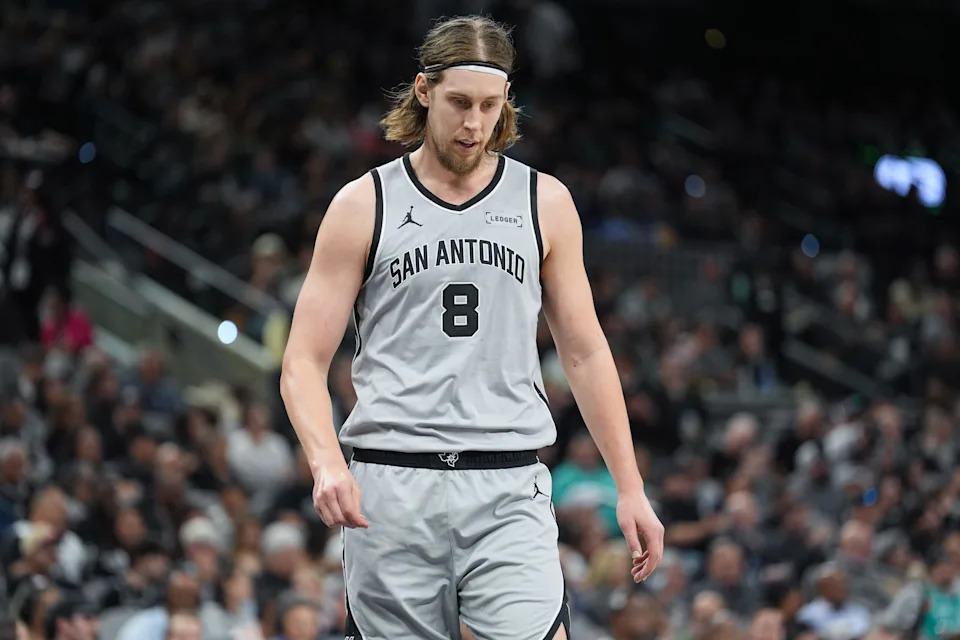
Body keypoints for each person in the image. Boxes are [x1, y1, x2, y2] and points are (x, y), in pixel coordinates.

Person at [280, 15, 664, 640]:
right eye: (459, 102)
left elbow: (587, 352)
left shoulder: (546, 201)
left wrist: (630, 486)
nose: (474, 123)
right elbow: (301, 361)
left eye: (490, 105)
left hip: (508, 481)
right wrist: (326, 462)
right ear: (424, 90)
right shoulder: (362, 204)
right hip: (391, 485)